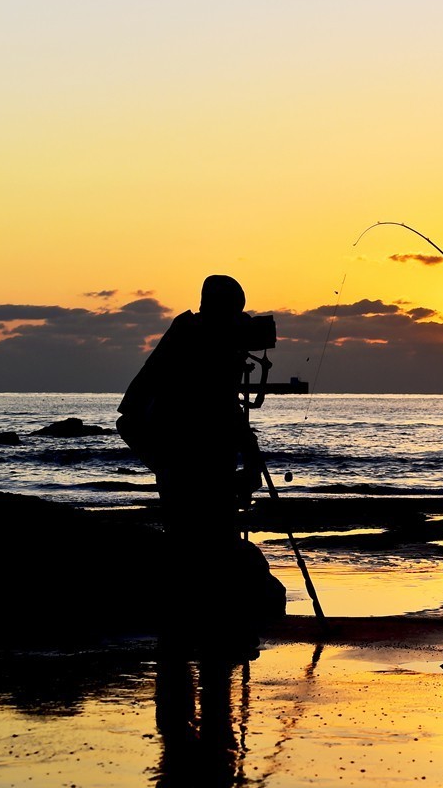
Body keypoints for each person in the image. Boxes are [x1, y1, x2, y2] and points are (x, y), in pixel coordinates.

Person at [118, 275, 257, 647]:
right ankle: (196, 636)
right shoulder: (192, 341)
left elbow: (226, 409)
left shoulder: (194, 337)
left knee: (198, 542)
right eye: (233, 313)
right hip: (188, 457)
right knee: (196, 543)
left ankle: (197, 640)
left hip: (195, 457)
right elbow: (216, 406)